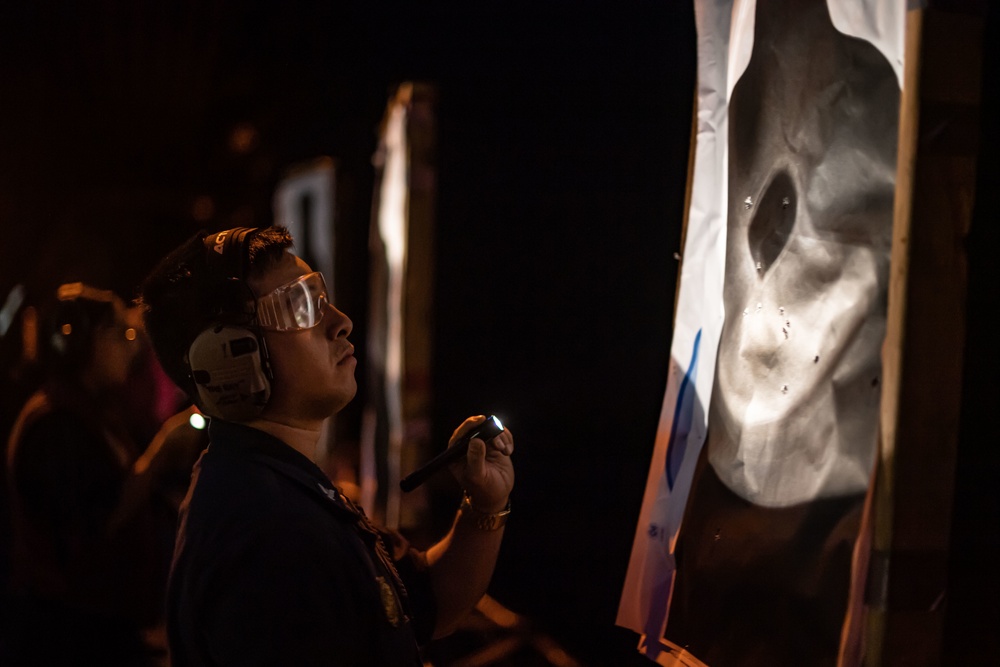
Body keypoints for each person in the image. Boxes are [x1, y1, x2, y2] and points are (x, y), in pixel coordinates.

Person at [137, 225, 514, 666]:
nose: (340, 322)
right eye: (301, 306)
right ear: (229, 359)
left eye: (320, 296)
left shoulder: (280, 488)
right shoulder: (268, 539)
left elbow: (425, 603)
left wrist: (484, 505)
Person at [2, 282, 202, 666]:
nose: (133, 347)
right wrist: (162, 452)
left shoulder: (91, 411)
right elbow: (97, 517)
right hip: (70, 639)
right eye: (122, 333)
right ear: (80, 343)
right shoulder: (54, 423)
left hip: (101, 630)